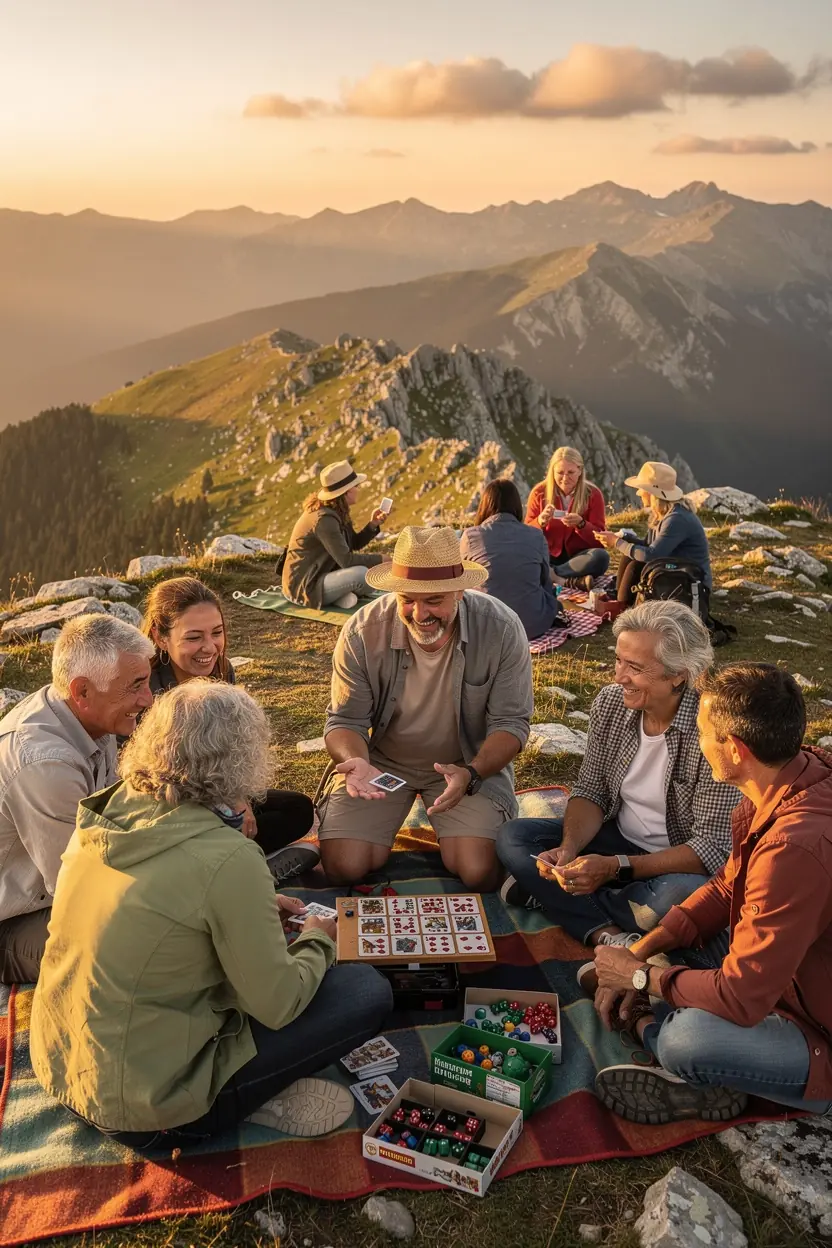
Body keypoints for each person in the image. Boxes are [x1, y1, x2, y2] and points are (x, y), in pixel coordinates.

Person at [29, 680, 393, 1145]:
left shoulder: (106, 812)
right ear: (243, 758)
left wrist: (250, 911)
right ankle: (250, 1099)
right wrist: (318, 938)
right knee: (364, 991)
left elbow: (171, 917)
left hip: (64, 1065)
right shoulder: (229, 858)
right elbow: (278, 1004)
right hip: (152, 1109)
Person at [593, 663, 832, 1123]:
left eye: (702, 732)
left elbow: (742, 997)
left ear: (735, 749)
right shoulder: (789, 779)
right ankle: (646, 989)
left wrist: (641, 978)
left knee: (688, 1041)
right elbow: (727, 886)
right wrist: (645, 949)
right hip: (791, 973)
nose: (697, 742)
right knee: (659, 929)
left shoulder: (794, 848)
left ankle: (656, 1035)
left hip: (817, 1027)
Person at [498, 602, 740, 951]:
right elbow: (591, 789)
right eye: (619, 660)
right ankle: (607, 930)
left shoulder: (712, 732)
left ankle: (564, 899)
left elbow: (710, 849)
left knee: (681, 893)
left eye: (635, 668)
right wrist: (569, 850)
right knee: (514, 835)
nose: (619, 677)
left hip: (674, 862)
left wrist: (614, 868)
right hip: (616, 839)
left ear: (679, 674)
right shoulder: (610, 703)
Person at [318, 526, 534, 891]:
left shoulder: (502, 628)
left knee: (479, 872)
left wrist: (472, 773)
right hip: (381, 762)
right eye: (407, 600)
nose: (419, 614)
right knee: (343, 866)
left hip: (467, 763)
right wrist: (357, 762)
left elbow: (511, 724)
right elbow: (345, 720)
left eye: (434, 600)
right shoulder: (362, 630)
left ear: (460, 592)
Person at [0, 614, 154, 984]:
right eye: (135, 686)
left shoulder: (86, 715)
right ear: (82, 691)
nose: (147, 699)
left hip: (60, 890)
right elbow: (81, 886)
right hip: (16, 920)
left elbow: (118, 819)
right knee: (149, 946)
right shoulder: (45, 762)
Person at [142, 575, 319, 883]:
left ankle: (237, 866)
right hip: (168, 805)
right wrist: (223, 806)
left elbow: (230, 748)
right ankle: (240, 872)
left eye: (217, 633)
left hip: (215, 792)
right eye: (194, 637)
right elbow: (149, 778)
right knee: (212, 827)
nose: (209, 648)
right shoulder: (144, 686)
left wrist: (238, 799)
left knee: (299, 810)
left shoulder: (222, 671)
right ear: (160, 636)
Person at [595, 462, 712, 604]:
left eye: (642, 489)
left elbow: (651, 554)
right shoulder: (663, 513)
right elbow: (647, 545)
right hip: (676, 569)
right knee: (630, 553)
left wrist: (616, 543)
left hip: (691, 581)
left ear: (652, 493)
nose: (638, 493)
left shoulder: (676, 519)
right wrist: (624, 538)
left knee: (636, 564)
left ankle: (622, 603)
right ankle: (618, 597)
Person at [460, 479, 563, 641]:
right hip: (532, 625)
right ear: (516, 505)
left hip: (486, 627)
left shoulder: (471, 536)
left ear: (485, 505)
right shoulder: (536, 535)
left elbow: (462, 580)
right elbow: (544, 580)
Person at [282, 460, 389, 609]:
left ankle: (338, 597)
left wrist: (372, 525)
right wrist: (382, 559)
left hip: (323, 574)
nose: (359, 489)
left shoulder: (337, 511)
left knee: (366, 574)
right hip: (304, 586)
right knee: (363, 575)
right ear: (346, 492)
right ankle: (333, 595)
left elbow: (354, 543)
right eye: (356, 486)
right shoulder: (324, 520)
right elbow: (347, 560)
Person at [524, 447, 609, 588]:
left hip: (577, 557)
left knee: (601, 557)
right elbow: (526, 534)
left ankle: (551, 575)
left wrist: (581, 524)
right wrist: (540, 521)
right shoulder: (539, 493)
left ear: (580, 471)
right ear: (552, 472)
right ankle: (570, 581)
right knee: (523, 555)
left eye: (571, 472)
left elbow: (600, 539)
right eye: (560, 473)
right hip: (547, 554)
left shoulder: (593, 494)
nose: (565, 478)